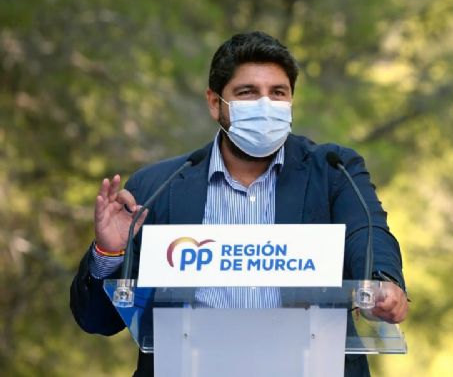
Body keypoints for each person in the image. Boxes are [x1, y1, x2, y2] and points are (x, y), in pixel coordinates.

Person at [70, 31, 408, 376]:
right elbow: (97, 320)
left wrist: (381, 279)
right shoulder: (157, 186)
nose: (265, 105)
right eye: (247, 93)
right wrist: (110, 254)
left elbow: (367, 231)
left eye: (278, 93)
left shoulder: (334, 172)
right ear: (215, 103)